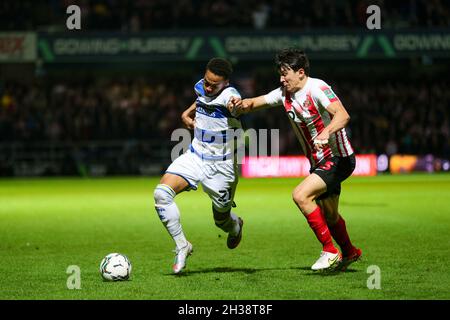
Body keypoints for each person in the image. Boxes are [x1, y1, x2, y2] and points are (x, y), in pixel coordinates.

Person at [228, 48, 361, 271]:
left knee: (301, 195)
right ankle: (350, 252)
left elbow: (343, 115)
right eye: (280, 73)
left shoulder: (317, 88)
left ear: (300, 72)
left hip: (338, 157)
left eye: (285, 73)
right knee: (330, 215)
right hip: (319, 162)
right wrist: (239, 104)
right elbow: (256, 102)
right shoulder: (284, 93)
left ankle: (329, 250)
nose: (281, 78)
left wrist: (326, 133)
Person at [154, 58, 244, 274]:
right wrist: (186, 114)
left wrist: (237, 106)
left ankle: (235, 225)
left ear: (226, 83)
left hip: (222, 168)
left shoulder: (230, 97)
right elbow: (201, 99)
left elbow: (236, 105)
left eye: (214, 84)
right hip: (195, 156)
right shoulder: (202, 87)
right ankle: (182, 245)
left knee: (220, 221)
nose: (208, 86)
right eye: (207, 81)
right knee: (161, 194)